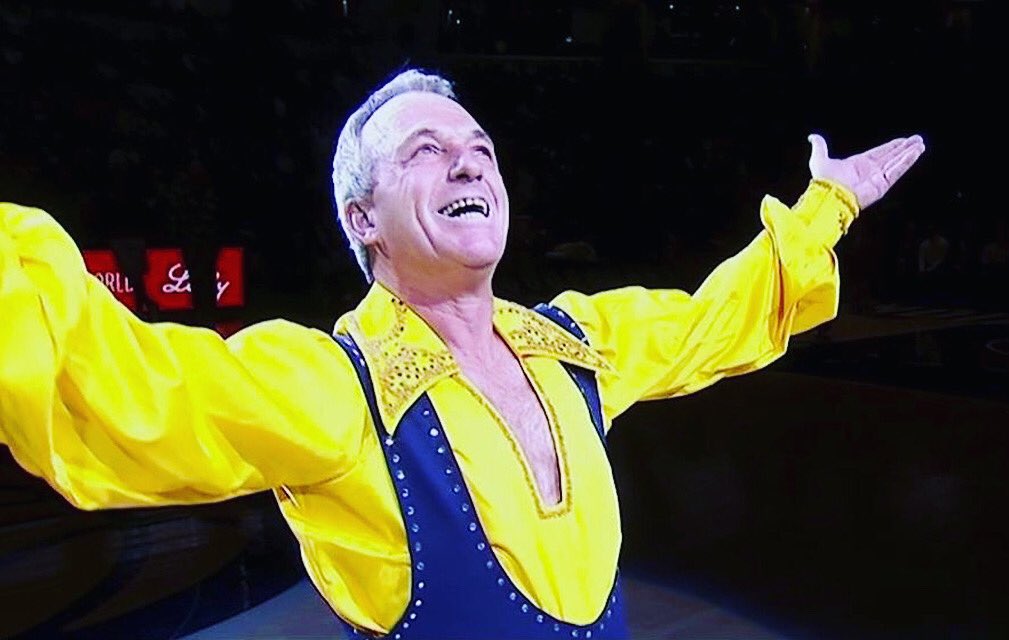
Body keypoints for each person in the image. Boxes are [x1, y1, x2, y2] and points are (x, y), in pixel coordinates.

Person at [0, 69, 924, 639]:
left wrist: (823, 211)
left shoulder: (576, 344)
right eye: (425, 152)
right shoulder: (331, 392)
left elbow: (717, 318)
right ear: (362, 221)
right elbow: (108, 383)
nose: (469, 163)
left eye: (479, 147)